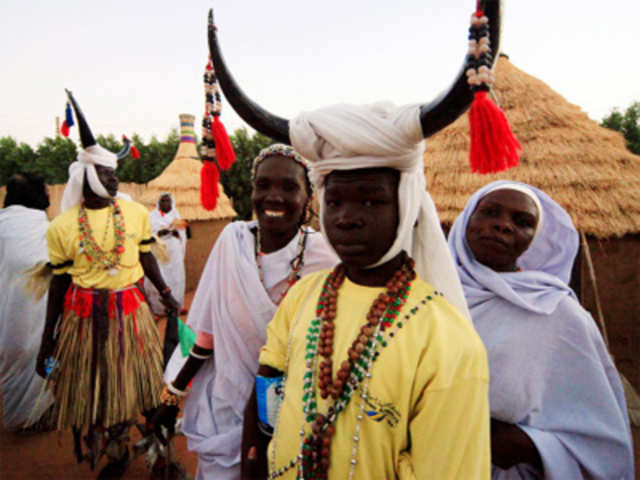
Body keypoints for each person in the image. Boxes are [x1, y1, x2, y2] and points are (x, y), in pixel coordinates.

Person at [241, 105, 491, 480]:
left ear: (405, 207)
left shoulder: (447, 338)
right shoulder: (304, 296)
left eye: (372, 201)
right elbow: (268, 386)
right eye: (336, 201)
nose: (346, 217)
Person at [159, 144, 337, 479]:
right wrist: (174, 392)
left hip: (297, 413)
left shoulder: (325, 258)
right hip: (226, 408)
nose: (274, 196)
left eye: (289, 187)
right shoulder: (232, 243)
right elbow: (207, 334)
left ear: (308, 196)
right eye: (264, 185)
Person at [35, 90, 180, 479]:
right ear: (85, 175)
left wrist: (166, 294)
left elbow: (147, 256)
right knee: (98, 396)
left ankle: (161, 455)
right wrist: (48, 339)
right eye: (106, 172)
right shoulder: (62, 227)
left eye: (114, 171)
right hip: (85, 323)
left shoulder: (134, 213)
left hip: (132, 316)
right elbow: (58, 285)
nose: (115, 178)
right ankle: (116, 454)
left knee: (149, 391)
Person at [448, 180, 634, 479]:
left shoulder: (557, 311)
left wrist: (531, 444)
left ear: (536, 238)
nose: (502, 226)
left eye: (522, 222)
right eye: (489, 213)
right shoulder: (431, 295)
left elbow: (599, 430)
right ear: (466, 219)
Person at [0, 173, 54, 430]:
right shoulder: (39, 227)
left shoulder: (40, 226)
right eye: (45, 189)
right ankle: (23, 417)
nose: (49, 194)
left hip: (30, 310)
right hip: (20, 309)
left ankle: (41, 412)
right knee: (20, 356)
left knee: (29, 356)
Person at [145, 192, 187, 316]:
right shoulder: (152, 216)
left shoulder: (176, 217)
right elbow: (148, 234)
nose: (165, 203)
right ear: (158, 203)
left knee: (176, 277)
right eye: (163, 201)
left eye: (167, 201)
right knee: (159, 275)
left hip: (174, 252)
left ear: (172, 203)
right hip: (158, 251)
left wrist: (176, 234)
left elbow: (183, 236)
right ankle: (159, 308)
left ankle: (177, 305)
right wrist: (159, 233)